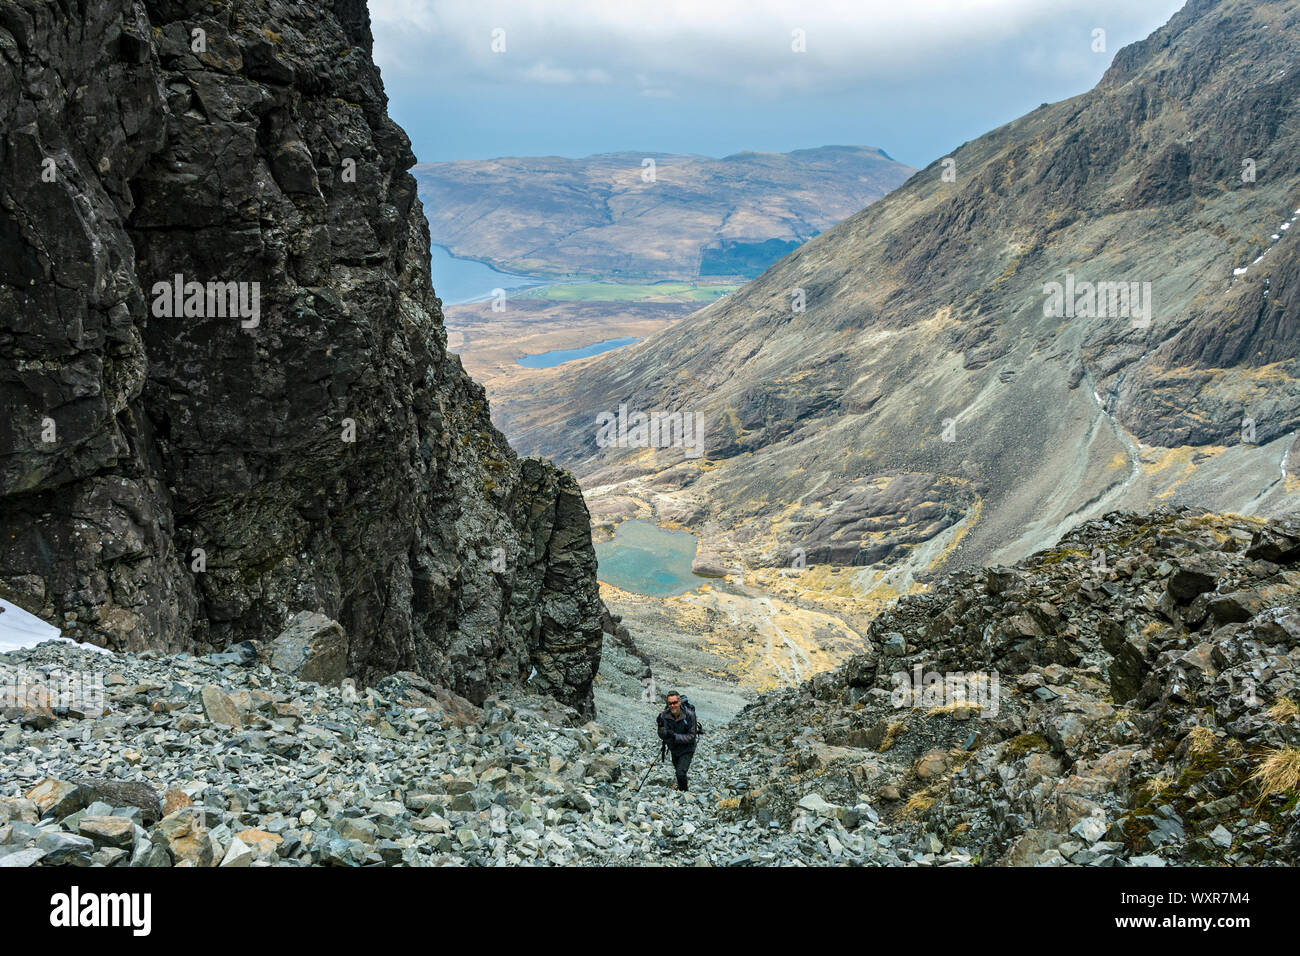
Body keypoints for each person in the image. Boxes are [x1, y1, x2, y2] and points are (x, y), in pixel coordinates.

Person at [656, 691, 698, 791]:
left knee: (680, 773)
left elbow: (692, 736)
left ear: (679, 702)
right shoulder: (664, 715)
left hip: (687, 749)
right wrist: (661, 727)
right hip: (674, 749)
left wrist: (674, 736)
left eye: (674, 702)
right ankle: (681, 790)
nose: (672, 705)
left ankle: (684, 793)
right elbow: (663, 736)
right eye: (670, 703)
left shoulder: (690, 715)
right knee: (678, 771)